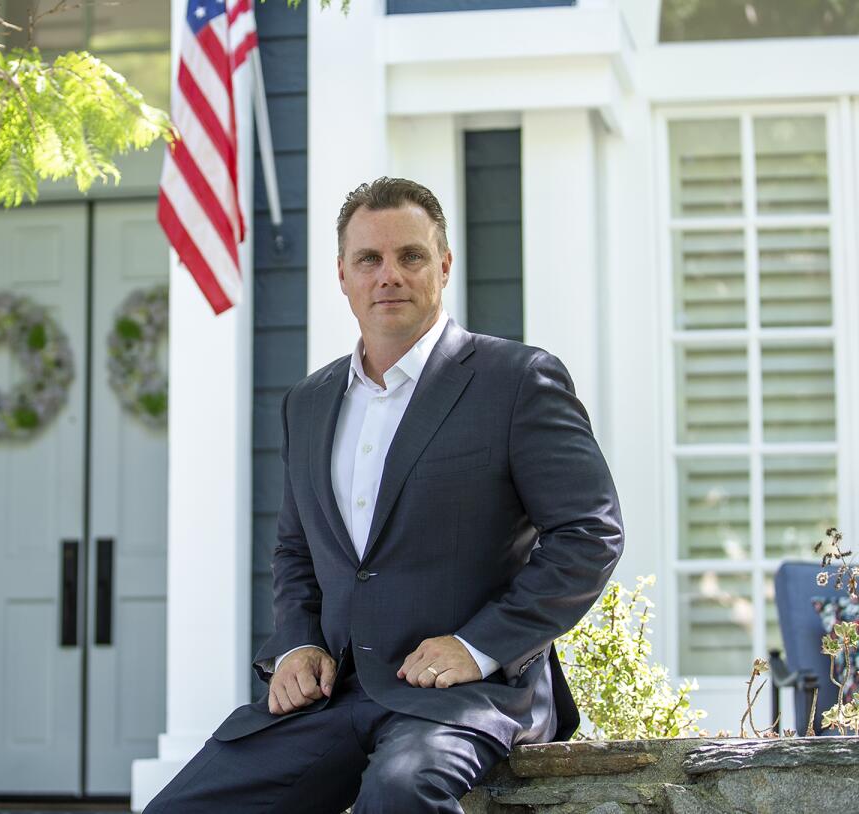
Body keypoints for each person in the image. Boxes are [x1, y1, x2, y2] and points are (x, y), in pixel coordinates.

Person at [145, 177, 624, 813]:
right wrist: (296, 642)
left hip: (468, 696)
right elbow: (296, 550)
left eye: (411, 256)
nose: (389, 275)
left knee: (399, 793)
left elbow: (590, 533)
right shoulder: (309, 402)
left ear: (444, 266)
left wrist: (478, 646)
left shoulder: (517, 381)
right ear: (342, 275)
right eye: (369, 259)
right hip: (338, 696)